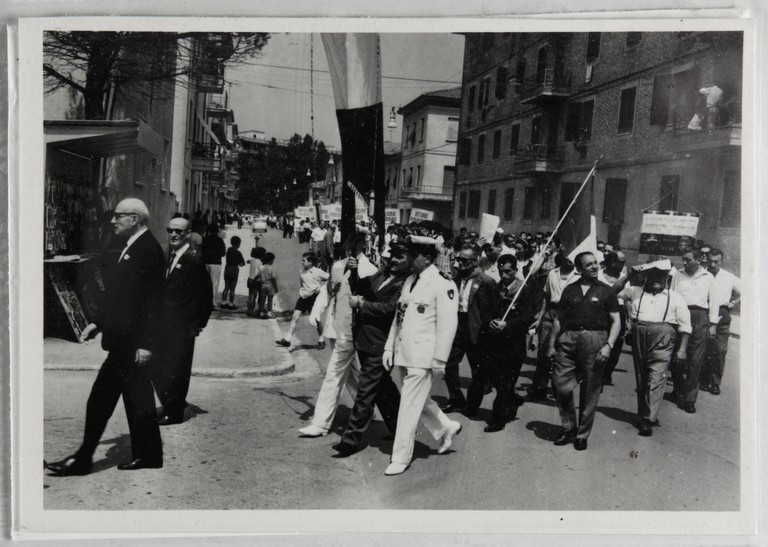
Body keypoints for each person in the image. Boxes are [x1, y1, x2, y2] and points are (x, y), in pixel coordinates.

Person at [45, 198, 165, 475]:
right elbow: (122, 298)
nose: (113, 221)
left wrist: (148, 344)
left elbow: (152, 303)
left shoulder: (147, 250)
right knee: (139, 398)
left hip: (130, 343)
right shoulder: (133, 247)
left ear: (134, 218)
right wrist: (98, 322)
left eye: (118, 216)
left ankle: (83, 459)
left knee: (100, 398)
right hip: (125, 339)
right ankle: (149, 455)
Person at [381, 236, 462, 475]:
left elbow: (448, 326)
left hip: (424, 356)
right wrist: (388, 347)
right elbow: (399, 317)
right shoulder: (410, 281)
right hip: (402, 352)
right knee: (411, 398)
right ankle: (446, 426)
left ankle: (401, 457)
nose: (409, 260)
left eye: (414, 255)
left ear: (428, 257)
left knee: (407, 406)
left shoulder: (443, 284)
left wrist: (439, 360)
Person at [331, 241, 411, 456]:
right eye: (393, 255)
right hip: (365, 339)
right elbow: (362, 286)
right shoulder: (383, 274)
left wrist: (362, 306)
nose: (393, 259)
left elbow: (390, 309)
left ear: (410, 260)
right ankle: (400, 430)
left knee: (366, 391)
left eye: (400, 256)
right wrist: (354, 269)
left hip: (382, 342)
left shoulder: (408, 282)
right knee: (384, 388)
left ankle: (350, 440)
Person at [298, 233, 377, 437]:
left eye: (356, 242)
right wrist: (317, 311)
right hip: (334, 326)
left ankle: (321, 423)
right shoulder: (337, 266)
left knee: (333, 374)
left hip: (351, 330)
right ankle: (367, 408)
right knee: (351, 374)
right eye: (350, 242)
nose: (352, 246)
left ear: (363, 245)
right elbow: (328, 290)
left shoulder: (370, 269)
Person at [546, 252, 621, 451]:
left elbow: (616, 321)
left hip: (595, 339)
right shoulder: (570, 290)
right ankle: (568, 427)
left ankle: (582, 434)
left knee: (590, 388)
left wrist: (608, 345)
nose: (595, 267)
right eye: (589, 265)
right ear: (579, 269)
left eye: (595, 263)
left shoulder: (607, 291)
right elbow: (559, 319)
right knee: (560, 384)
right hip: (569, 338)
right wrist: (551, 344)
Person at [615, 260, 691, 436]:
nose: (656, 279)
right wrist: (629, 276)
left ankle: (648, 419)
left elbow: (685, 326)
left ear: (667, 278)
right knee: (642, 377)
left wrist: (682, 350)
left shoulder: (675, 298)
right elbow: (612, 292)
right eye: (653, 275)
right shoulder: (635, 291)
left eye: (661, 275)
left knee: (656, 377)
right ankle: (646, 413)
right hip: (640, 335)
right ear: (646, 276)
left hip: (664, 337)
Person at [152, 217, 214, 426]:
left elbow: (206, 295)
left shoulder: (193, 259)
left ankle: (174, 411)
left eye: (179, 231)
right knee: (162, 366)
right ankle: (173, 402)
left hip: (182, 326)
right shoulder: (171, 256)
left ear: (188, 234)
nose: (174, 235)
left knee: (177, 369)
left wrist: (199, 324)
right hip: (165, 324)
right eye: (171, 230)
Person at [475, 254, 540, 432]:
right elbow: (486, 310)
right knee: (500, 381)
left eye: (508, 272)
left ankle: (498, 419)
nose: (504, 276)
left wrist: (508, 324)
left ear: (516, 270)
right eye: (502, 272)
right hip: (496, 343)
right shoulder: (496, 289)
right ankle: (512, 400)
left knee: (506, 382)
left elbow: (527, 316)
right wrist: (491, 321)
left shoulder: (524, 290)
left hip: (514, 344)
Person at [439, 244, 498, 414]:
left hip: (476, 329)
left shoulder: (486, 281)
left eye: (465, 260)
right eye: (458, 259)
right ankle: (456, 398)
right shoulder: (454, 280)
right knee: (449, 363)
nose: (460, 263)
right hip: (457, 326)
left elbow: (493, 309)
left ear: (475, 261)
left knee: (478, 370)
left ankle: (472, 405)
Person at [527, 253, 579, 401]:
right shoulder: (552, 273)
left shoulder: (579, 276)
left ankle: (562, 390)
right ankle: (539, 388)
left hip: (569, 316)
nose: (570, 260)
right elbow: (546, 297)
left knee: (565, 354)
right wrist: (540, 317)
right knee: (543, 352)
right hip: (551, 314)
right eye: (568, 256)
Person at [670, 249, 715, 414]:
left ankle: (690, 399)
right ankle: (677, 388)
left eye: (688, 260)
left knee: (696, 359)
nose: (684, 263)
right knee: (676, 354)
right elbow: (672, 296)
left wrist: (713, 324)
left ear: (699, 259)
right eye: (683, 259)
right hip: (680, 315)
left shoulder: (708, 277)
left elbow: (714, 301)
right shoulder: (678, 275)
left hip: (699, 316)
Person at [701, 249, 740, 395]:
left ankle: (715, 382)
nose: (712, 264)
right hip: (705, 312)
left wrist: (734, 302)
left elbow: (747, 288)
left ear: (721, 261)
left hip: (722, 314)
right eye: (710, 260)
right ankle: (703, 379)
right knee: (704, 348)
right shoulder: (702, 274)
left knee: (719, 350)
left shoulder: (728, 277)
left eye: (716, 261)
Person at [276, 252, 329, 349]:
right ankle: (287, 340)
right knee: (295, 317)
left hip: (314, 298)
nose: (302, 262)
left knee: (316, 320)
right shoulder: (301, 272)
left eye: (304, 260)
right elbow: (302, 285)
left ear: (311, 262)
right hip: (303, 298)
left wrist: (321, 288)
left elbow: (330, 279)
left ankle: (321, 339)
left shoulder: (318, 272)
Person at [202, 223, 226, 308]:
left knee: (205, 283)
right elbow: (223, 253)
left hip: (206, 262)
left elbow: (203, 251)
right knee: (214, 284)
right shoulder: (219, 240)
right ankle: (212, 302)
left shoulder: (206, 239)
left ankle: (205, 301)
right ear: (217, 231)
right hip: (216, 263)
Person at [221, 236, 245, 310]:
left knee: (226, 287)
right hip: (234, 269)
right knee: (232, 289)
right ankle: (231, 304)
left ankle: (223, 302)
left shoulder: (229, 250)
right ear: (238, 244)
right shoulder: (239, 253)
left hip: (227, 268)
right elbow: (242, 263)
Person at [246, 247, 266, 317]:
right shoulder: (260, 263)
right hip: (256, 281)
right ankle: (260, 309)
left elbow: (247, 261)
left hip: (250, 279)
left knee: (251, 296)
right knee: (259, 296)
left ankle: (250, 310)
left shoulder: (252, 260)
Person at [258, 253, 278, 319]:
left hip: (262, 285)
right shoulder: (272, 268)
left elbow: (257, 276)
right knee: (270, 299)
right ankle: (269, 312)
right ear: (271, 260)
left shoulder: (261, 267)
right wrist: (276, 288)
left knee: (262, 299)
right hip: (270, 285)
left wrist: (254, 281)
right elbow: (273, 279)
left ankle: (261, 312)